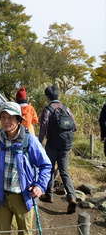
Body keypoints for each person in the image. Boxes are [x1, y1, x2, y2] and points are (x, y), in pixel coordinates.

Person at [0, 101, 51, 235]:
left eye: (11, 117)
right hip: (1, 196)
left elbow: (46, 165)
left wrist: (40, 186)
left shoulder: (29, 140)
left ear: (18, 120)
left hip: (23, 196)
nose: (6, 121)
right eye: (3, 117)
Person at [38, 85, 77, 214]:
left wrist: (39, 142)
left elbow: (43, 127)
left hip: (52, 144)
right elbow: (74, 127)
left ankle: (49, 194)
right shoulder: (66, 108)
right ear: (58, 96)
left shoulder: (48, 109)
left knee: (48, 168)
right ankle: (71, 196)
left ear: (47, 96)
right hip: (66, 145)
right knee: (64, 171)